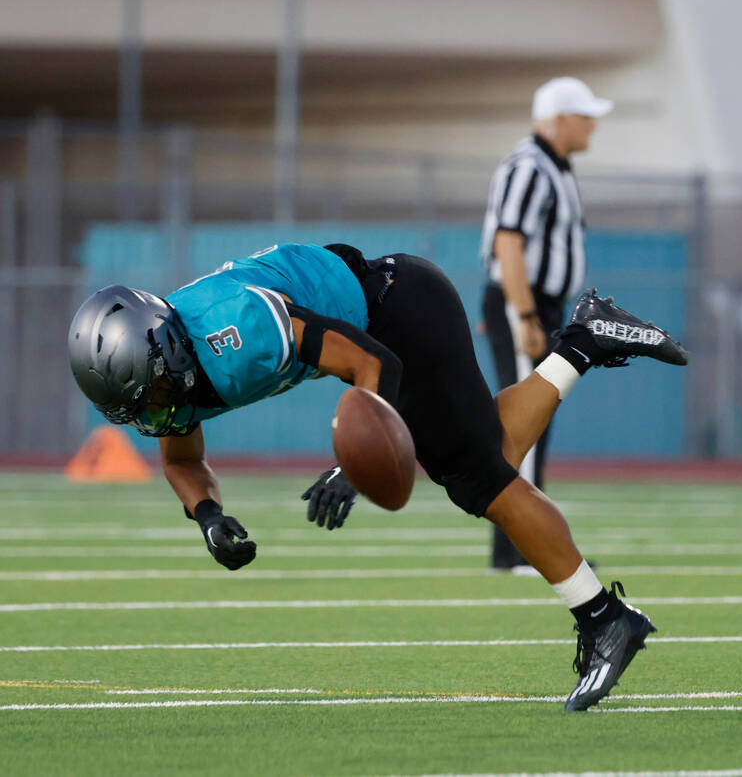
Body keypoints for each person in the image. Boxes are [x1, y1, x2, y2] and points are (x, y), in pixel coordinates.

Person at [67, 242, 687, 712]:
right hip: (381, 319)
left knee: (482, 482)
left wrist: (351, 467)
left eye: (157, 392)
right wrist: (208, 518)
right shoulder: (166, 379)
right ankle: (587, 339)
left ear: (168, 349)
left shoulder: (238, 329)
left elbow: (375, 363)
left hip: (399, 309)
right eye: (141, 406)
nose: (158, 410)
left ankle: (605, 619)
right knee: (486, 452)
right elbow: (181, 461)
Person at [479, 77, 609, 570]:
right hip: (527, 304)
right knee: (523, 423)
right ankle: (517, 549)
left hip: (535, 304)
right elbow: (507, 243)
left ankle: (520, 545)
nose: (592, 124)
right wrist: (524, 312)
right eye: (584, 114)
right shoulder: (530, 166)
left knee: (535, 422)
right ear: (557, 119)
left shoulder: (552, 167)